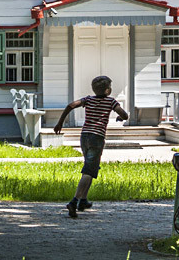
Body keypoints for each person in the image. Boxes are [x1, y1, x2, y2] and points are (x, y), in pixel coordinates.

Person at [53, 75, 129, 218]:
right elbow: (124, 115)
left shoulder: (88, 99)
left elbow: (71, 105)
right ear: (107, 90)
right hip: (97, 137)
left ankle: (83, 200)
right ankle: (74, 201)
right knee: (89, 170)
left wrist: (60, 122)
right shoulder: (110, 102)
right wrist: (120, 117)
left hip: (85, 136)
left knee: (90, 167)